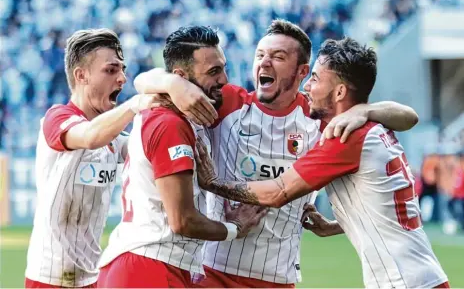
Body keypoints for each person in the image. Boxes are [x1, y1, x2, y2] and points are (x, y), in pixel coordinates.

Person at [134, 20, 419, 288]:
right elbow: (143, 82)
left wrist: (366, 109)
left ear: (302, 71)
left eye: (278, 56)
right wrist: (174, 84)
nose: (264, 62)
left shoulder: (320, 120)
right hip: (214, 271)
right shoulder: (228, 103)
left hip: (279, 277)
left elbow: (408, 117)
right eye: (260, 54)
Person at [195, 37, 449, 288]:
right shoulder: (371, 127)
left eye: (315, 78)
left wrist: (213, 183)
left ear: (339, 91)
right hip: (422, 277)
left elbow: (278, 192)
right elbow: (387, 208)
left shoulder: (346, 137)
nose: (307, 86)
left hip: (402, 282)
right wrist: (365, 110)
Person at [24, 28, 217, 289]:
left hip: (93, 276)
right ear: (81, 75)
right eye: (111, 70)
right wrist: (136, 103)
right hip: (50, 278)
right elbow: (91, 136)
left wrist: (172, 86)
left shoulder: (114, 138)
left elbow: (152, 151)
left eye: (123, 70)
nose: (122, 78)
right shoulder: (57, 118)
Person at [96, 26, 267, 288]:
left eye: (222, 68)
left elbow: (145, 80)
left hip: (144, 264)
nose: (224, 79)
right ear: (181, 77)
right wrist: (234, 228)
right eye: (213, 72)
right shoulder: (170, 124)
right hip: (149, 268)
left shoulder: (171, 115)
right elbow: (182, 221)